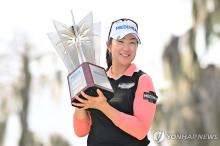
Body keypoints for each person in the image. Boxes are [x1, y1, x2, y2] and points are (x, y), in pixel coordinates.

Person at [72, 18, 158, 146]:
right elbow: (81, 132)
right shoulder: (96, 79)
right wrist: (79, 102)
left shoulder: (143, 80)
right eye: (120, 41)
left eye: (132, 42)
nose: (126, 48)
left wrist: (103, 106)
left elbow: (140, 131)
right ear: (109, 46)